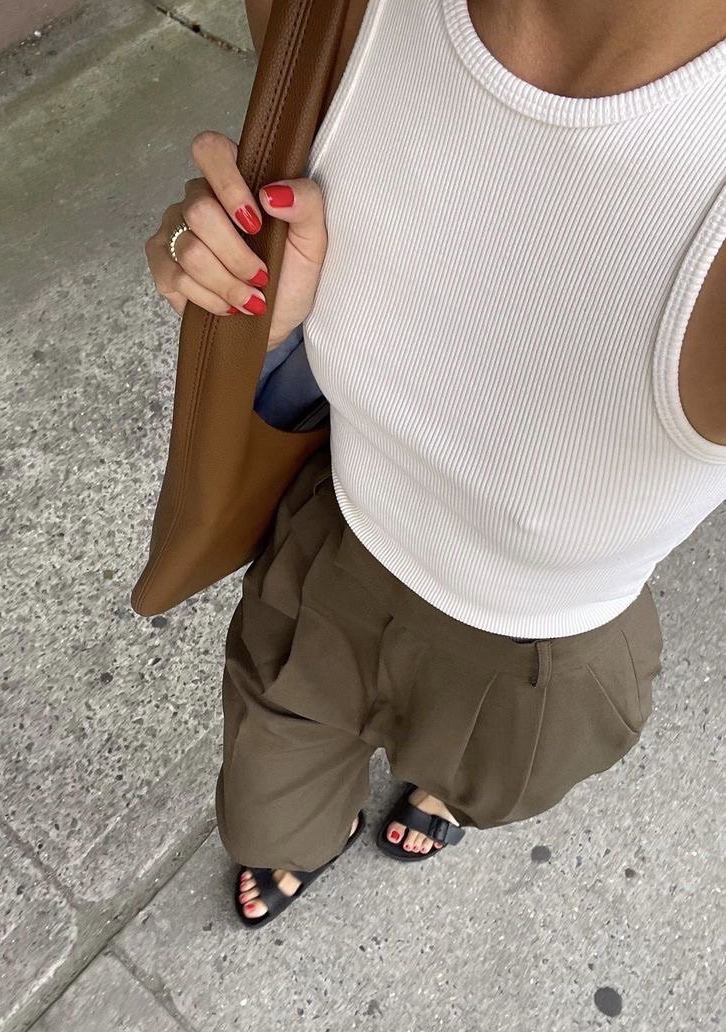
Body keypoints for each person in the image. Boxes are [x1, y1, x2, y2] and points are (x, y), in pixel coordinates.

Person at [144, 0, 726, 929]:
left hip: (539, 649)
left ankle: (442, 790)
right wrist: (253, 304)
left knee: (482, 776)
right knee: (265, 808)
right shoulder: (344, 13)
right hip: (334, 539)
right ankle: (317, 833)